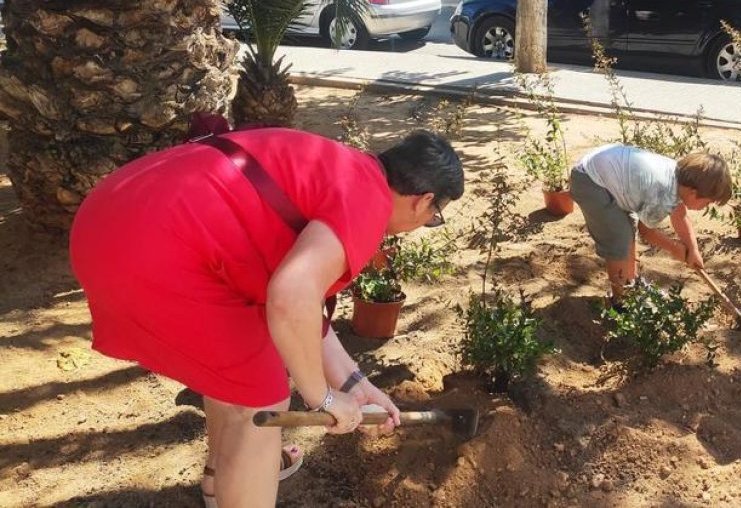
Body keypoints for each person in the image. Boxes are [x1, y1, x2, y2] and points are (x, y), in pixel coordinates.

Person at [70, 128, 464, 507]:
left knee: (238, 378)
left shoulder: (347, 169)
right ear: (422, 200)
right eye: (434, 216)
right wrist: (322, 399)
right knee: (261, 400)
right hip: (150, 250)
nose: (425, 224)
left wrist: (355, 385)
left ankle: (220, 482)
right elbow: (292, 298)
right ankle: (241, 481)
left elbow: (302, 307)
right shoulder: (368, 203)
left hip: (109, 215)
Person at [569, 144, 733, 303]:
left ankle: (630, 284)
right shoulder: (662, 193)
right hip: (590, 182)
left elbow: (680, 215)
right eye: (708, 202)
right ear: (693, 192)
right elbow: (647, 232)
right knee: (619, 239)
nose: (706, 207)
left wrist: (693, 249)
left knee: (628, 225)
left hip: (603, 170)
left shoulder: (677, 176)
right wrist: (675, 248)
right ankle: (620, 302)